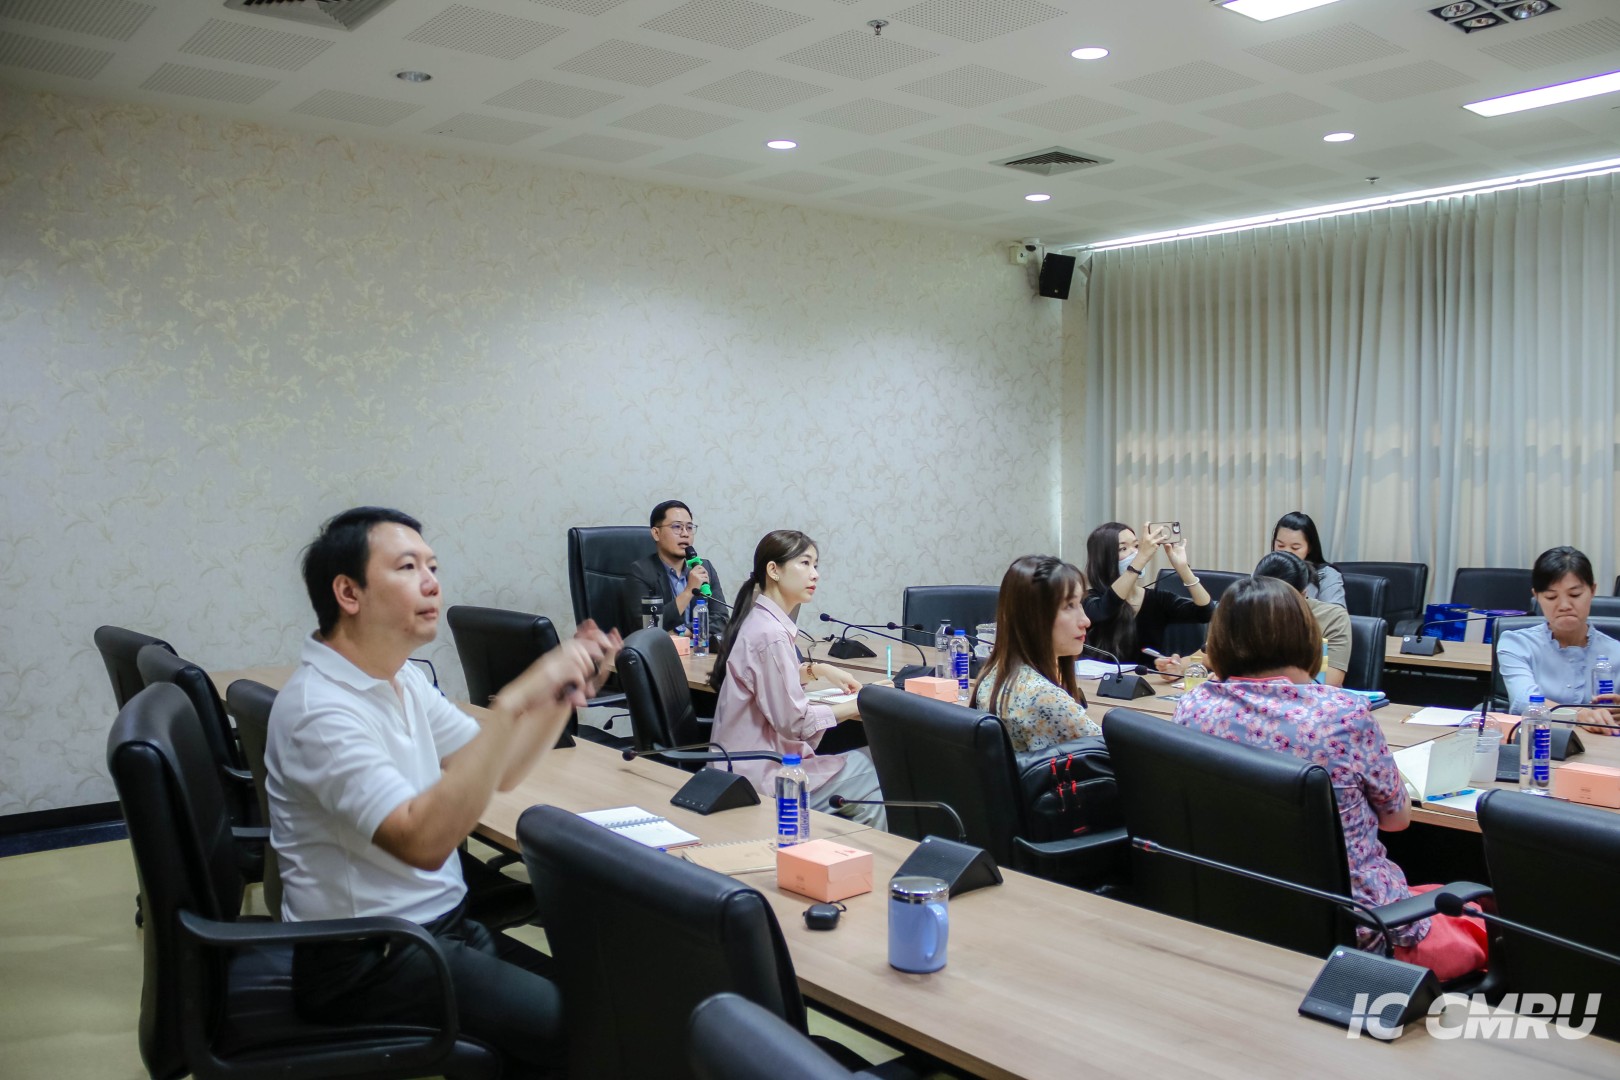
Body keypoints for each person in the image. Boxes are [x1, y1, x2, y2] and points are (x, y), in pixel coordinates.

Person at [266, 507, 620, 1078]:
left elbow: (497, 768)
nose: (432, 583)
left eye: (432, 566)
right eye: (408, 567)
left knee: (610, 1009)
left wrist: (559, 695)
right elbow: (424, 843)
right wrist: (512, 702)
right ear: (348, 593)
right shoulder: (321, 710)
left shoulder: (399, 676)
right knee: (590, 1034)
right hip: (366, 963)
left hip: (440, 931)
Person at [1172, 576, 1486, 981]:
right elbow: (1397, 820)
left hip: (1235, 911)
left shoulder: (1194, 706)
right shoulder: (1341, 715)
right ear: (1306, 635)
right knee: (1479, 917)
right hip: (1358, 928)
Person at [707, 530, 885, 827]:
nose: (815, 574)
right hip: (761, 776)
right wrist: (863, 703)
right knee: (877, 765)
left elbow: (767, 678)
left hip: (744, 765)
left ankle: (849, 848)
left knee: (869, 788)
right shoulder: (771, 634)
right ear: (774, 570)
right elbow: (795, 723)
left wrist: (818, 670)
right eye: (805, 563)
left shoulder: (762, 621)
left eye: (816, 565)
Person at [973, 555, 1100, 753]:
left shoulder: (994, 673)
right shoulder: (1044, 698)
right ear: (1033, 617)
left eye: (1080, 603)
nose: (1086, 621)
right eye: (1069, 606)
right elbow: (1117, 758)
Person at [1497, 546, 1620, 735]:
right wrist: (1577, 715)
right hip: (1538, 744)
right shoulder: (1516, 644)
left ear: (1592, 591)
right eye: (1551, 597)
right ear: (1536, 596)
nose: (1564, 605)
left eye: (1575, 595)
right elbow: (1523, 700)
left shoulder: (1616, 652)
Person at [1083, 521, 1212, 671]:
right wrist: (1142, 557)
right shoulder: (1089, 600)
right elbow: (1105, 609)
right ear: (1104, 559)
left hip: (1148, 681)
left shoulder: (1156, 599)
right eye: (1123, 548)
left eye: (1137, 546)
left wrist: (1183, 569)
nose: (1135, 553)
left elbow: (1206, 612)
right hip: (1098, 681)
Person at [619, 499, 728, 641]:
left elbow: (722, 619)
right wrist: (689, 591)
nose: (685, 534)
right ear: (656, 533)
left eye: (689, 527)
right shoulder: (640, 572)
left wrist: (686, 631)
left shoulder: (704, 568)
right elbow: (646, 626)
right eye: (677, 527)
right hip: (659, 652)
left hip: (699, 650)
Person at [1253, 551, 1351, 687]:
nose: (1272, 609)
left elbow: (1329, 683)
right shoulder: (1245, 609)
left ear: (1303, 595)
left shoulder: (1332, 618)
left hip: (1307, 697)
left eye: (1280, 601)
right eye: (1265, 600)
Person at [1271, 511, 1345, 607]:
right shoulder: (1266, 570)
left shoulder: (1326, 576)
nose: (1286, 552)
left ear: (1309, 548)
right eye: (1280, 545)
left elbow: (1336, 614)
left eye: (1295, 548)